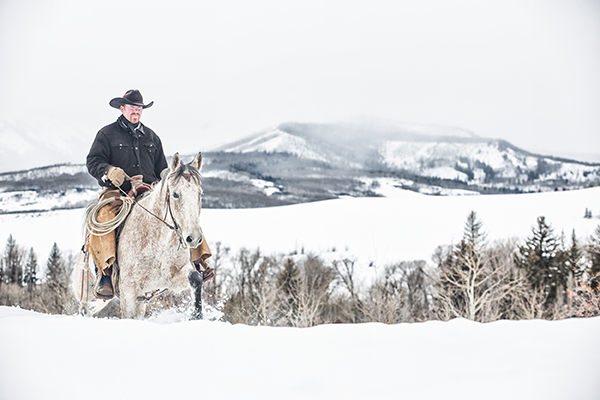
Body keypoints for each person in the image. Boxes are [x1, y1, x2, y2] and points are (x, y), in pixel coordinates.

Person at [86, 89, 213, 299]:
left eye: (139, 109)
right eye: (132, 108)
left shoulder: (152, 137)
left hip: (148, 192)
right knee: (104, 217)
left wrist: (171, 178)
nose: (136, 112)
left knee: (181, 209)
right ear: (122, 108)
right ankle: (106, 274)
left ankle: (199, 259)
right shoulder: (106, 134)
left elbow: (162, 168)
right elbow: (93, 161)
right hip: (118, 192)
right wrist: (108, 171)